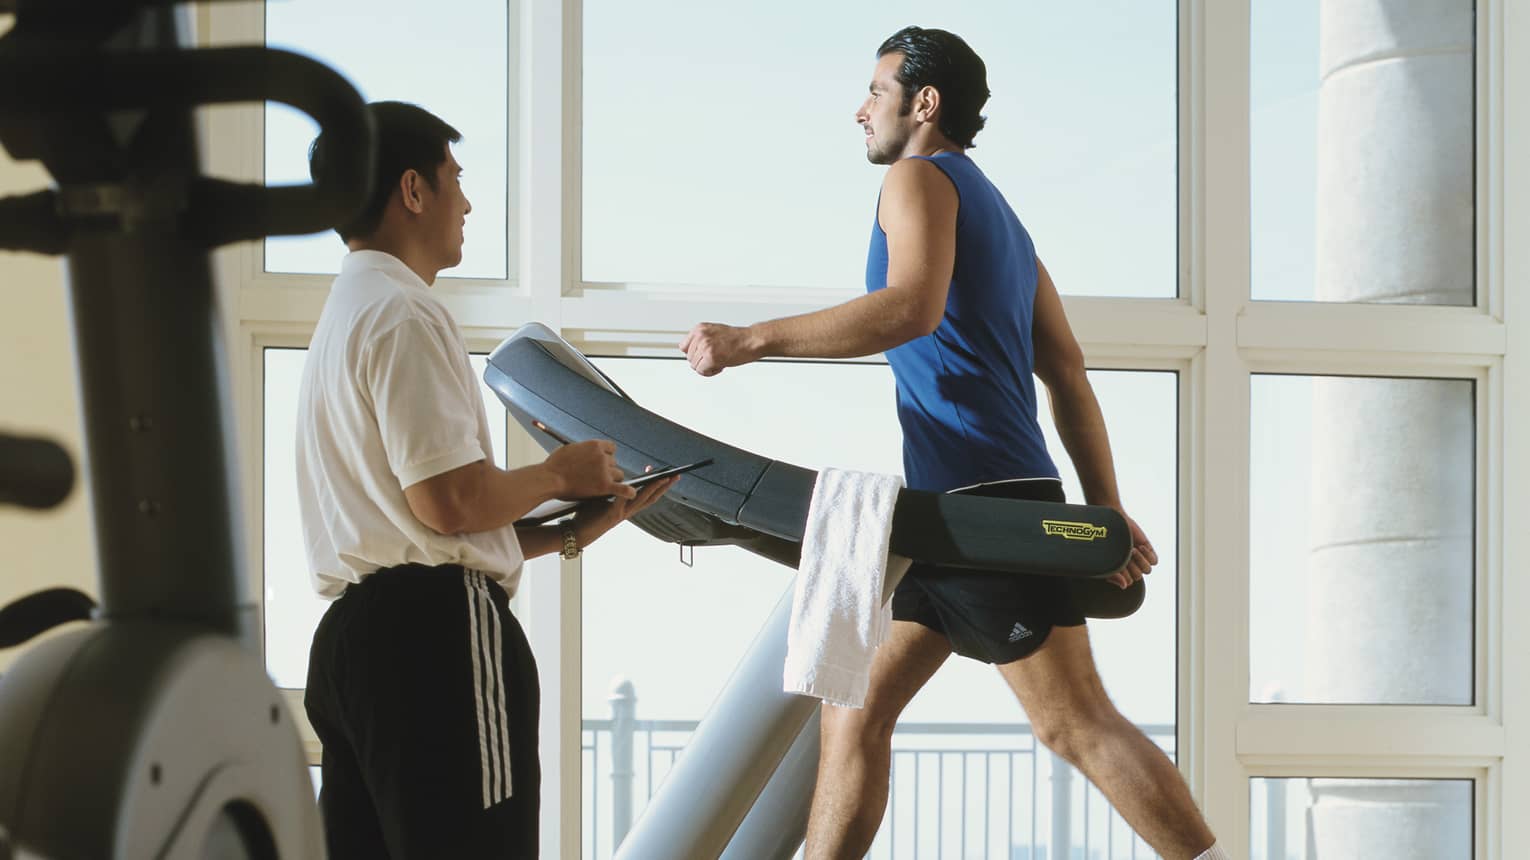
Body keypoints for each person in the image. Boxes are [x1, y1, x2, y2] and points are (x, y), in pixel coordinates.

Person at [679, 27, 1226, 860]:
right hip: (952, 512)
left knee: (1073, 721)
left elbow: (909, 307)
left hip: (984, 507)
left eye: (875, 90)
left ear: (923, 103)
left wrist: (751, 340)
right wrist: (1101, 511)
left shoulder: (916, 179)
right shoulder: (1002, 220)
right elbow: (1069, 375)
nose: (860, 109)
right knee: (855, 708)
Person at [296, 101, 673, 859]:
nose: (466, 203)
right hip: (433, 639)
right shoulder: (404, 312)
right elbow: (447, 502)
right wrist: (558, 471)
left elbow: (415, 520)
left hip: (351, 646)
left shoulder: (344, 314)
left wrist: (565, 529)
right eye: (454, 181)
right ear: (412, 191)